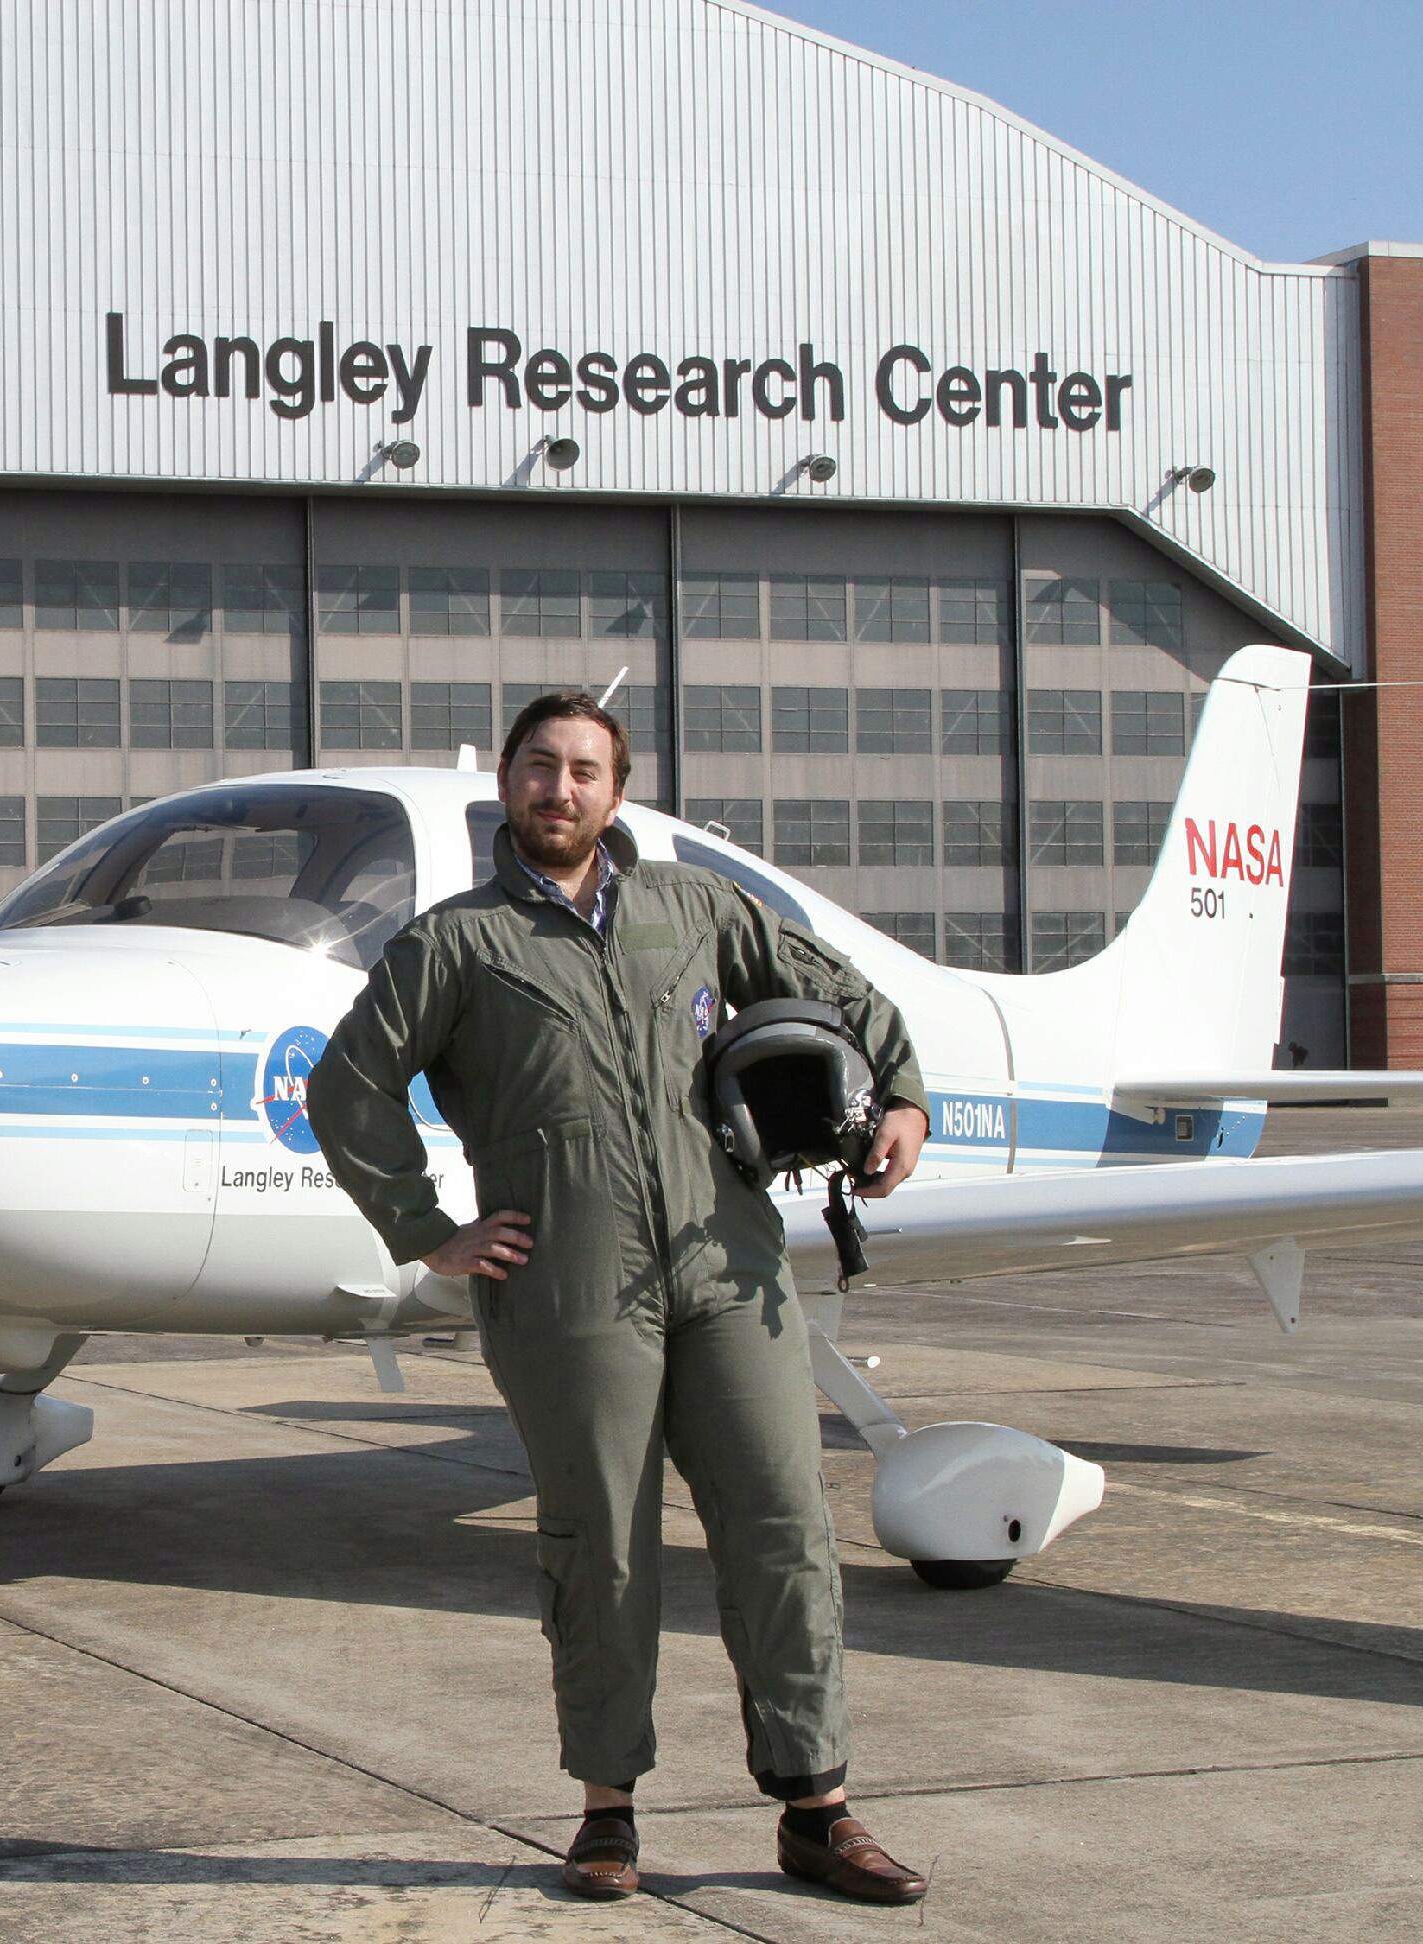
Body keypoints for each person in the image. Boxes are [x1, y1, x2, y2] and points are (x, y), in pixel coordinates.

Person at [304, 691, 933, 1905]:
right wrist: (426, 1230)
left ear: (618, 791)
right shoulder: (457, 944)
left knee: (784, 1524)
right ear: (507, 780)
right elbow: (348, 1087)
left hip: (727, 1261)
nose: (561, 789)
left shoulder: (696, 908)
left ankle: (818, 1808)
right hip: (568, 1279)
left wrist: (900, 1091)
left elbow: (837, 987)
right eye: (541, 766)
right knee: (601, 1538)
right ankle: (606, 1811)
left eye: (585, 770)